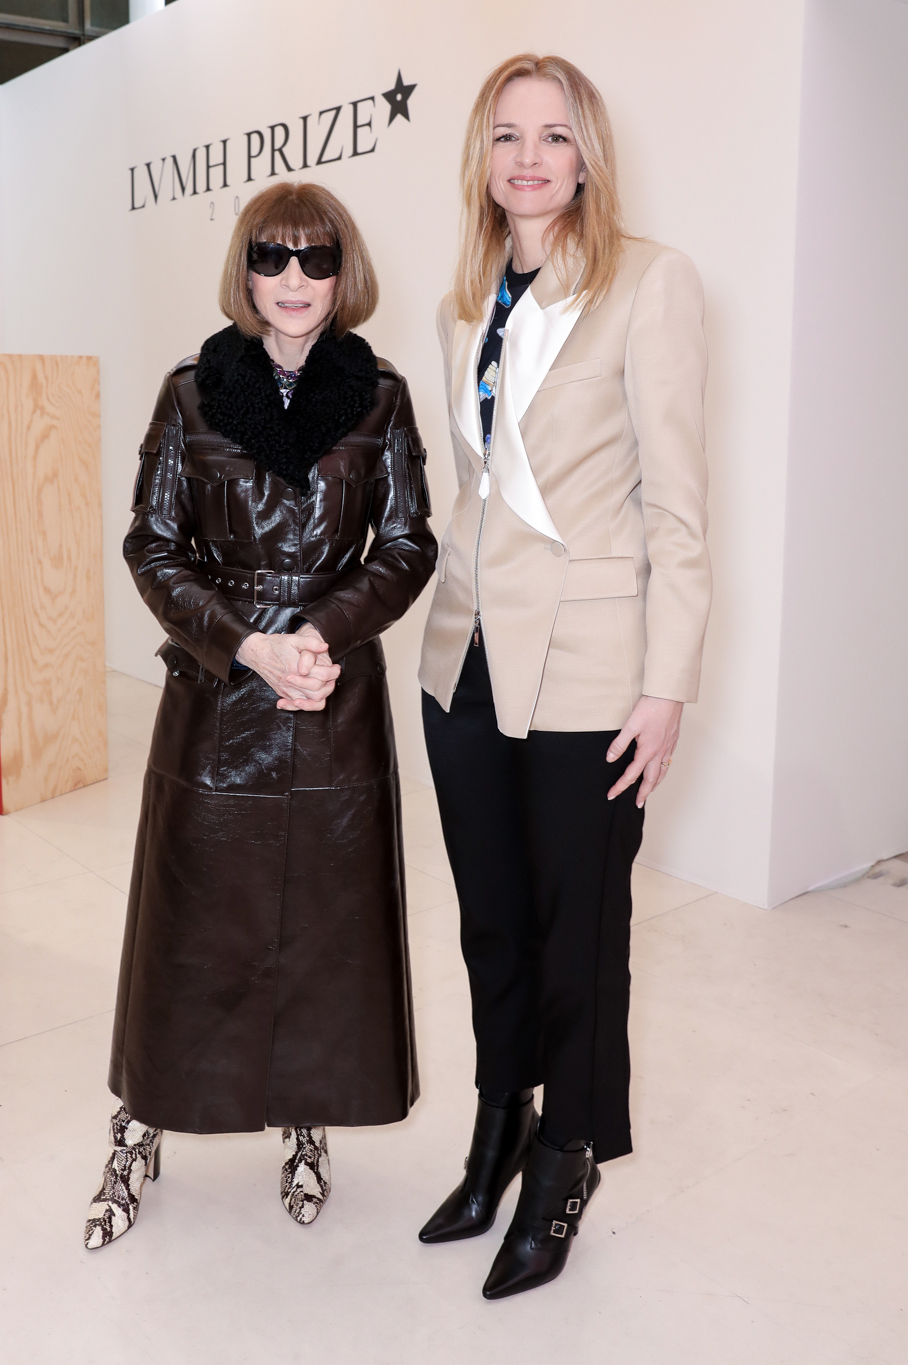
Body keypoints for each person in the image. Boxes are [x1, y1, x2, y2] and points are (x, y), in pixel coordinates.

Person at [84, 181, 436, 1249]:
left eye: (316, 259)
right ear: (244, 270)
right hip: (217, 695)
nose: (294, 279)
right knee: (188, 931)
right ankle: (139, 1127)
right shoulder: (192, 392)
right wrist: (247, 644)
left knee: (325, 929)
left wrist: (318, 635)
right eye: (272, 257)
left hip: (332, 696)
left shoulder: (379, 395)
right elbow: (152, 545)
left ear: (343, 272)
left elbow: (408, 544)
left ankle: (307, 1117)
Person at [418, 54, 711, 1299]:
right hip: (464, 658)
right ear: (482, 159)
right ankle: (499, 1121)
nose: (527, 158)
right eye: (506, 136)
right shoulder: (461, 302)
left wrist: (666, 682)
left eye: (551, 135)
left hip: (591, 665)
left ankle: (564, 1157)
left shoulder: (648, 281)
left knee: (577, 931)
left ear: (586, 153)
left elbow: (677, 507)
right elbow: (473, 491)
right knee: (490, 920)